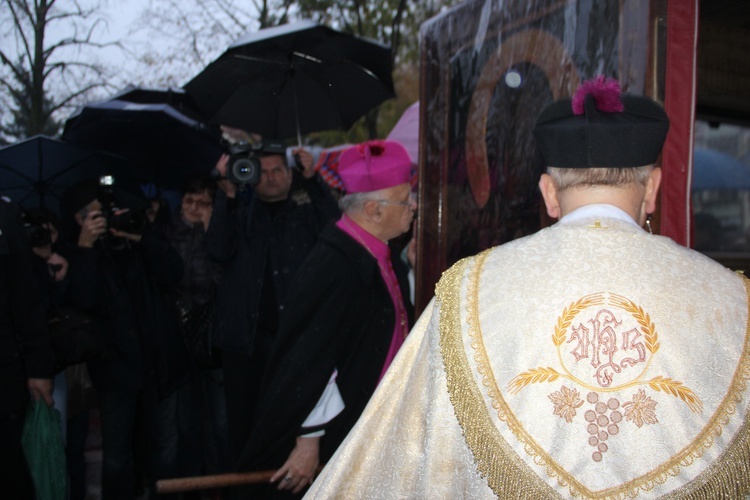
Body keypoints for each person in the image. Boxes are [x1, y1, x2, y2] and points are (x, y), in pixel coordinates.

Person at [304, 77, 750, 498]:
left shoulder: (468, 289)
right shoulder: (734, 300)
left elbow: (405, 453)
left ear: (549, 193)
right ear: (652, 188)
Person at [236, 139, 417, 497]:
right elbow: (309, 361)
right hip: (334, 431)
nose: (414, 206)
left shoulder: (382, 254)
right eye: (405, 199)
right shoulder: (333, 266)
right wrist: (308, 439)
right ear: (373, 210)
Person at [207, 143, 339, 468]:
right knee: (244, 433)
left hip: (295, 342)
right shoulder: (240, 214)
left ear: (290, 174)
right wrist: (226, 194)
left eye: (277, 170)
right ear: (250, 177)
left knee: (291, 427)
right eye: (261, 172)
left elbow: (337, 231)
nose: (270, 177)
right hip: (245, 347)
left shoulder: (306, 215)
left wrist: (313, 180)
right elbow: (217, 251)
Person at [62, 180, 189, 499]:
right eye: (95, 215)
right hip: (115, 369)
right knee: (117, 455)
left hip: (159, 362)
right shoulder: (78, 251)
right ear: (79, 220)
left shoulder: (136, 241)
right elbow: (85, 300)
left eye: (107, 212)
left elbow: (174, 271)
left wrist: (140, 236)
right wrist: (86, 247)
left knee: (165, 448)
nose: (105, 218)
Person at [162, 174, 229, 488]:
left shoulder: (218, 234)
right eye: (190, 201)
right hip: (178, 337)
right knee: (186, 421)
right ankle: (191, 485)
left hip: (213, 338)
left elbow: (222, 281)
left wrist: (209, 229)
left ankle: (221, 482)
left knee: (221, 421)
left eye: (203, 202)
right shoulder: (167, 234)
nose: (194, 207)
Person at [0, 198, 56, 497]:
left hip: (4, 376)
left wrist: (39, 367)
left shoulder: (4, 215)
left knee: (10, 473)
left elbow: (25, 297)